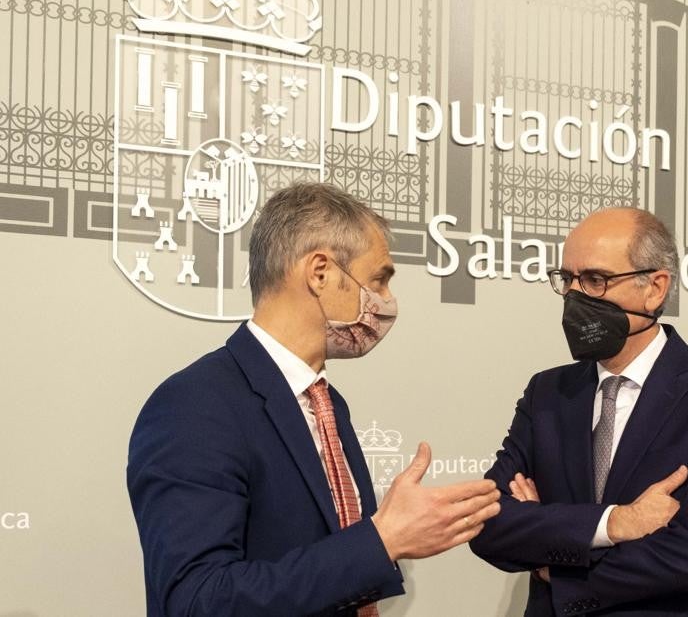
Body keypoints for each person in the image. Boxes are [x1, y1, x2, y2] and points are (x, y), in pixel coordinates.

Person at [127, 183, 500, 616]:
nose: (386, 301)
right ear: (320, 272)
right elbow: (195, 600)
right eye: (378, 279)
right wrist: (382, 540)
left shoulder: (326, 401)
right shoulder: (193, 406)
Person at [470, 207, 688, 616]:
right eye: (567, 280)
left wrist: (553, 568)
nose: (575, 297)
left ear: (656, 288)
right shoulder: (548, 391)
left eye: (595, 280)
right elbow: (489, 524)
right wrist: (614, 523)